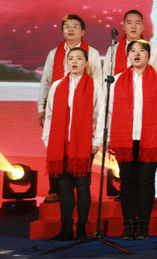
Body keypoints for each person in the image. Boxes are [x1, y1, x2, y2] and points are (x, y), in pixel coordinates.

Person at [108, 40, 157, 240]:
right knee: (127, 182)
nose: (137, 54)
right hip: (124, 138)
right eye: (133, 51)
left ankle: (143, 224)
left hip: (151, 138)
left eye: (141, 51)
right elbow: (109, 111)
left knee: (146, 181)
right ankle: (128, 225)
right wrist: (109, 137)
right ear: (128, 56)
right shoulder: (116, 80)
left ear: (148, 56)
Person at [38, 14, 102, 204]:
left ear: (83, 31)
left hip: (84, 107)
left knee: (81, 156)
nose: (71, 29)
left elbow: (98, 80)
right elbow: (46, 80)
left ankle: (78, 190)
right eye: (67, 26)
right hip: (59, 106)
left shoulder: (92, 53)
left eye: (75, 26)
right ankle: (55, 190)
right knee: (57, 146)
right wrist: (41, 106)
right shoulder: (54, 53)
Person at [42, 47, 104, 242]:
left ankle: (82, 228)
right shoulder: (57, 86)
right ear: (66, 63)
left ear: (86, 63)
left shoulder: (94, 85)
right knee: (65, 187)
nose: (74, 62)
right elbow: (50, 115)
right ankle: (66, 228)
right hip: (61, 143)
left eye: (79, 58)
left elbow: (100, 115)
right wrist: (47, 140)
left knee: (83, 185)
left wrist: (96, 140)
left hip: (84, 144)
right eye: (71, 59)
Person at [103, 10, 157, 78]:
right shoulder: (113, 50)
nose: (133, 26)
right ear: (124, 26)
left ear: (142, 27)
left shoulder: (153, 48)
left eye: (137, 23)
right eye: (129, 23)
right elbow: (106, 75)